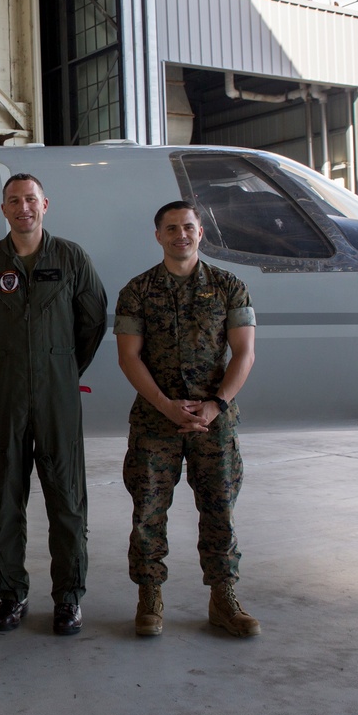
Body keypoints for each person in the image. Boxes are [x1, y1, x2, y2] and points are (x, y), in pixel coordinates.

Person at [0, 173, 107, 635]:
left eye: (30, 199)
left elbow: (94, 320)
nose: (23, 207)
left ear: (46, 204)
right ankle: (11, 594)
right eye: (13, 201)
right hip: (6, 394)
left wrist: (60, 368)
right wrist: (6, 365)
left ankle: (68, 598)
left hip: (58, 395)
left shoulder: (71, 257)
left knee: (66, 496)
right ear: (2, 210)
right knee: (4, 495)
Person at [114, 200, 260, 638]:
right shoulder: (137, 291)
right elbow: (128, 356)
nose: (181, 234)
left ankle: (223, 598)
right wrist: (165, 405)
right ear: (158, 235)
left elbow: (244, 352)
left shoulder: (229, 285)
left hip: (214, 422)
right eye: (171, 228)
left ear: (201, 233)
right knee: (148, 513)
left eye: (189, 227)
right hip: (156, 422)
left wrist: (216, 404)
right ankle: (150, 597)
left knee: (220, 511)